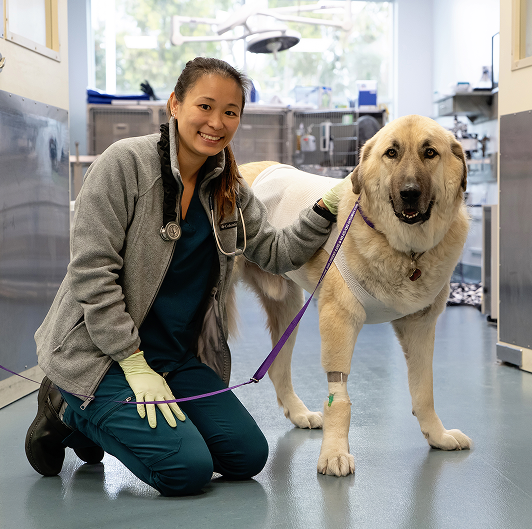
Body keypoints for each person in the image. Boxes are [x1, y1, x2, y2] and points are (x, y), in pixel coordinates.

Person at [25, 57, 340, 497]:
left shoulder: (228, 187)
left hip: (173, 358)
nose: (217, 122)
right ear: (175, 104)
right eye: (205, 106)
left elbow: (275, 251)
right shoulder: (124, 165)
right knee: (187, 470)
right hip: (102, 355)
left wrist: (328, 207)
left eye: (230, 112)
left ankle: (101, 422)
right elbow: (92, 275)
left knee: (246, 457)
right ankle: (67, 407)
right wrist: (133, 364)